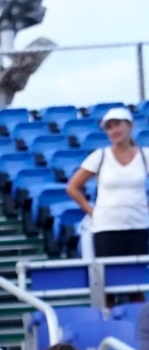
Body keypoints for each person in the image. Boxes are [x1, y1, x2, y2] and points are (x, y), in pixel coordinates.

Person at [69, 107, 149, 262]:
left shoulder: (145, 155)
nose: (114, 130)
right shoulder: (100, 156)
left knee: (137, 279)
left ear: (129, 126)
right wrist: (92, 211)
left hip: (138, 226)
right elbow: (73, 187)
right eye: (109, 127)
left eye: (117, 124)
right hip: (106, 228)